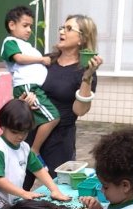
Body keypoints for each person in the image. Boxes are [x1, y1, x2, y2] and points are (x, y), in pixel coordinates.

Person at [22, 14, 102, 190]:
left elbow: (80, 110)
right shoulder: (46, 60)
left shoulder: (85, 70)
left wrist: (87, 77)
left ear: (82, 38)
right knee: (18, 188)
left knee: (59, 190)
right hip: (30, 133)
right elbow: (26, 84)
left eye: (68, 28)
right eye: (62, 27)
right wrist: (25, 97)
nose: (62, 31)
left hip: (60, 140)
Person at [0, 99, 70, 209]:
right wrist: (24, 193)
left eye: (24, 132)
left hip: (15, 202)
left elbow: (39, 169)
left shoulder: (24, 147)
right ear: (3, 126)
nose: (20, 137)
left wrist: (55, 190)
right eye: (14, 132)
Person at [1, 5, 59, 158]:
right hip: (27, 87)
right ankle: (34, 150)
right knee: (53, 117)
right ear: (12, 25)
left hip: (32, 87)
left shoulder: (25, 45)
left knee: (30, 121)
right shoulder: (10, 42)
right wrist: (42, 59)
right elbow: (19, 58)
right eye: (25, 25)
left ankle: (26, 151)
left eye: (30, 27)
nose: (29, 30)